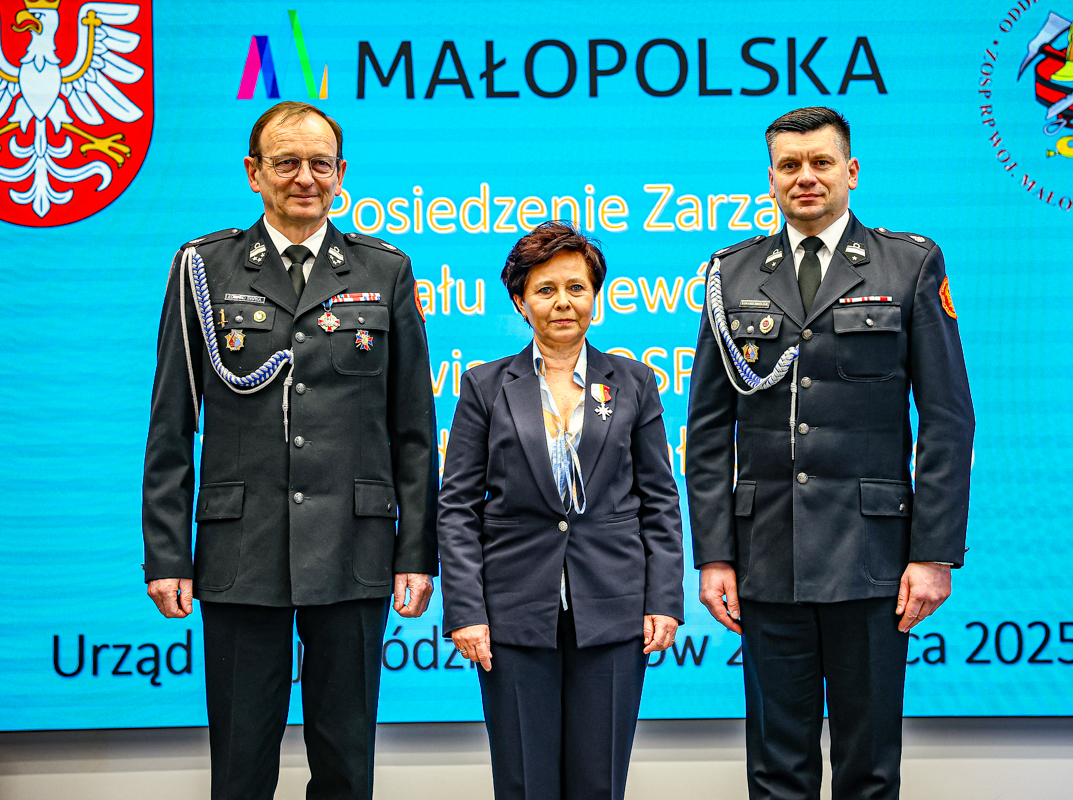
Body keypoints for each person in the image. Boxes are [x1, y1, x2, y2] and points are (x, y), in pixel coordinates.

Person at [141, 100, 438, 800]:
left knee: (346, 765)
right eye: (286, 163)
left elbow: (414, 430)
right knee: (240, 767)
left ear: (342, 174)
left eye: (320, 164)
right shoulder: (202, 268)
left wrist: (415, 552)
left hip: (354, 548)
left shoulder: (385, 270)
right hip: (242, 549)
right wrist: (166, 554)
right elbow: (171, 423)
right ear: (254, 172)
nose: (305, 177)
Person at [686, 107, 975, 800]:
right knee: (775, 770)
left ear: (851, 171)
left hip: (874, 560)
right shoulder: (731, 275)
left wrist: (934, 553)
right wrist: (715, 555)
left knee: (868, 767)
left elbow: (946, 419)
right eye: (789, 166)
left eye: (821, 162)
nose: (805, 177)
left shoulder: (910, 264)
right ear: (771, 179)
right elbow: (707, 431)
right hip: (766, 558)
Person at [438, 221, 685, 800]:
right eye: (545, 290)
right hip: (514, 613)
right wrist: (466, 610)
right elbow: (457, 507)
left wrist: (664, 600)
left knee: (599, 783)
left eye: (576, 287)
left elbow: (659, 499)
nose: (563, 302)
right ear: (520, 302)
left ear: (596, 296)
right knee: (526, 783)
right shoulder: (485, 386)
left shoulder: (633, 381)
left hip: (614, 608)